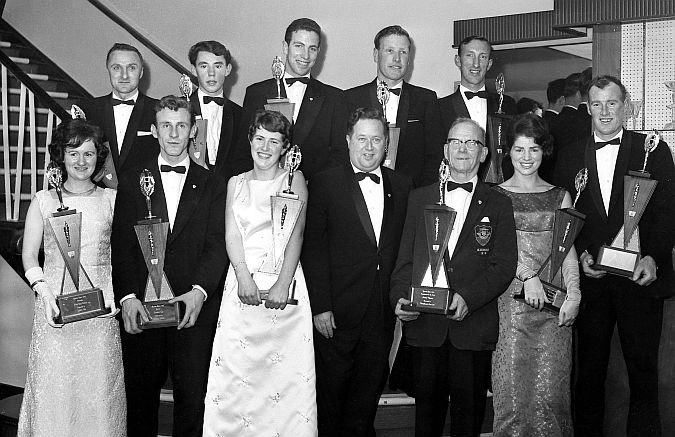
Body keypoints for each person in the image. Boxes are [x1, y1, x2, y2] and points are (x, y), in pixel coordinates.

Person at [553, 75, 675, 436]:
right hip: (592, 284)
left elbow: (666, 211)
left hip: (640, 280)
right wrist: (582, 256)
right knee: (588, 374)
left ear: (626, 107)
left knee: (643, 373)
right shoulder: (570, 154)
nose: (604, 111)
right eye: (597, 104)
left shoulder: (652, 149)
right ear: (587, 107)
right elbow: (567, 216)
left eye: (612, 103)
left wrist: (653, 256)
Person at [391, 118, 517, 437]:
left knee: (468, 421)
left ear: (484, 153)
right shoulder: (420, 198)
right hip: (426, 327)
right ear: (446, 149)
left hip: (471, 326)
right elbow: (404, 258)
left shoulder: (499, 202)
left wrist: (469, 298)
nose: (463, 149)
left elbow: (503, 265)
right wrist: (400, 298)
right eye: (456, 142)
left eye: (471, 143)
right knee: (426, 423)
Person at [111, 95, 227, 437]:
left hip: (191, 308)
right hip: (143, 307)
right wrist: (128, 297)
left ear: (193, 130)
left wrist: (200, 292)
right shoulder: (133, 178)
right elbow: (122, 244)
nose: (174, 134)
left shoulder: (213, 182)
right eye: (166, 126)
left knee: (192, 399)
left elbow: (217, 244)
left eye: (181, 126)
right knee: (140, 399)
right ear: (154, 130)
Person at [202, 110, 316, 436]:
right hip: (240, 286)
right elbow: (231, 235)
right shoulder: (234, 183)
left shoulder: (294, 181)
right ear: (250, 139)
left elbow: (297, 234)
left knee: (282, 383)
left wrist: (283, 282)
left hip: (286, 286)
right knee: (238, 379)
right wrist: (243, 277)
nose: (265, 147)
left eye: (274, 141)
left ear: (285, 148)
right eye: (260, 139)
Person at [302, 107, 412, 436]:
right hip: (336, 310)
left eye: (376, 139)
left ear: (386, 143)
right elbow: (313, 249)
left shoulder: (403, 185)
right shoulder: (324, 182)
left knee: (367, 395)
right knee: (331, 398)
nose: (368, 147)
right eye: (361, 139)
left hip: (381, 311)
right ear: (348, 141)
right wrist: (321, 306)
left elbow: (405, 249)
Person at [18, 118, 125, 436]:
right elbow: (28, 255)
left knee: (98, 392)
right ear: (60, 156)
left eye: (89, 154)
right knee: (56, 392)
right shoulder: (43, 200)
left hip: (101, 311)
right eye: (73, 152)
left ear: (99, 158)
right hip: (55, 312)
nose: (81, 161)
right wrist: (45, 294)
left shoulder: (112, 201)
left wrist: (118, 295)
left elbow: (124, 256)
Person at [491, 114, 580, 437]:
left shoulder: (560, 196)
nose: (526, 158)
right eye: (519, 149)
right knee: (512, 398)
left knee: (552, 400)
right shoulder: (495, 196)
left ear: (544, 151)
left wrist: (575, 295)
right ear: (509, 152)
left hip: (553, 311)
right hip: (510, 310)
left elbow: (567, 252)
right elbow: (497, 252)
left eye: (534, 149)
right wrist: (527, 276)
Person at [233, 18, 348, 181]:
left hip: (313, 196)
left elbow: (339, 156)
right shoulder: (256, 93)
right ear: (286, 47)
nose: (306, 55)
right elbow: (243, 151)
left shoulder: (335, 98)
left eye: (312, 48)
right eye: (299, 46)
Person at [345, 25, 443, 187]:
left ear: (409, 58)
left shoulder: (426, 99)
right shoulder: (350, 98)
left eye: (403, 52)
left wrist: (418, 195)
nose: (397, 58)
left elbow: (434, 155)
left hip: (410, 195)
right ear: (376, 54)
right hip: (359, 191)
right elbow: (342, 150)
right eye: (390, 51)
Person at [438, 35, 517, 181]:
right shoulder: (439, 107)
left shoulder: (507, 104)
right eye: (469, 55)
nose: (476, 64)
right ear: (458, 61)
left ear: (489, 63)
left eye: (482, 57)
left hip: (498, 190)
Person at [79, 43, 158, 180]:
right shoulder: (87, 110)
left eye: (132, 68)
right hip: (99, 195)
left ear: (141, 72)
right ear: (108, 70)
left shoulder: (159, 110)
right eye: (116, 68)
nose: (124, 76)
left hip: (144, 195)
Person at [187, 40, 243, 180]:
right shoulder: (180, 108)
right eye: (204, 66)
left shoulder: (240, 114)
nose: (211, 73)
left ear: (227, 69)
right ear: (194, 70)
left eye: (218, 66)